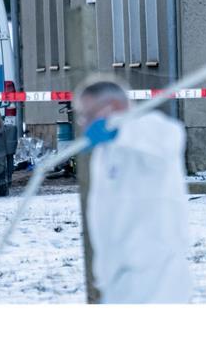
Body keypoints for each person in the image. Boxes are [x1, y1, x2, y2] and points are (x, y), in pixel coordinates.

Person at [75, 75, 191, 303]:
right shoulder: (105, 152)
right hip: (117, 278)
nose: (83, 122)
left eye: (87, 114)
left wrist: (117, 128)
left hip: (157, 276)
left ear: (114, 106)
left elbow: (169, 138)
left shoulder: (152, 129)